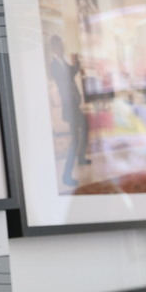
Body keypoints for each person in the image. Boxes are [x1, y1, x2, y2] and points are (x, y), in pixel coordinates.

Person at [47, 34, 91, 188]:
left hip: (74, 106)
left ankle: (81, 158)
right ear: (54, 48)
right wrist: (73, 66)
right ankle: (66, 176)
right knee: (75, 140)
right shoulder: (54, 65)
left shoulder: (62, 62)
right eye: (60, 45)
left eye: (62, 45)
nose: (62, 48)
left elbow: (71, 72)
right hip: (70, 107)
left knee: (85, 128)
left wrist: (76, 62)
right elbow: (66, 78)